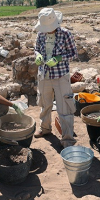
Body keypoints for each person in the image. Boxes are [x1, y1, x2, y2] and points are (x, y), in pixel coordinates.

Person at [33, 8, 78, 148]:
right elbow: (36, 49)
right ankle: (45, 128)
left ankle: (68, 139)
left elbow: (73, 53)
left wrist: (59, 58)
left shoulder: (65, 34)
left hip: (60, 76)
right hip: (44, 75)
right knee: (45, 104)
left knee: (64, 107)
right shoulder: (40, 34)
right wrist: (38, 56)